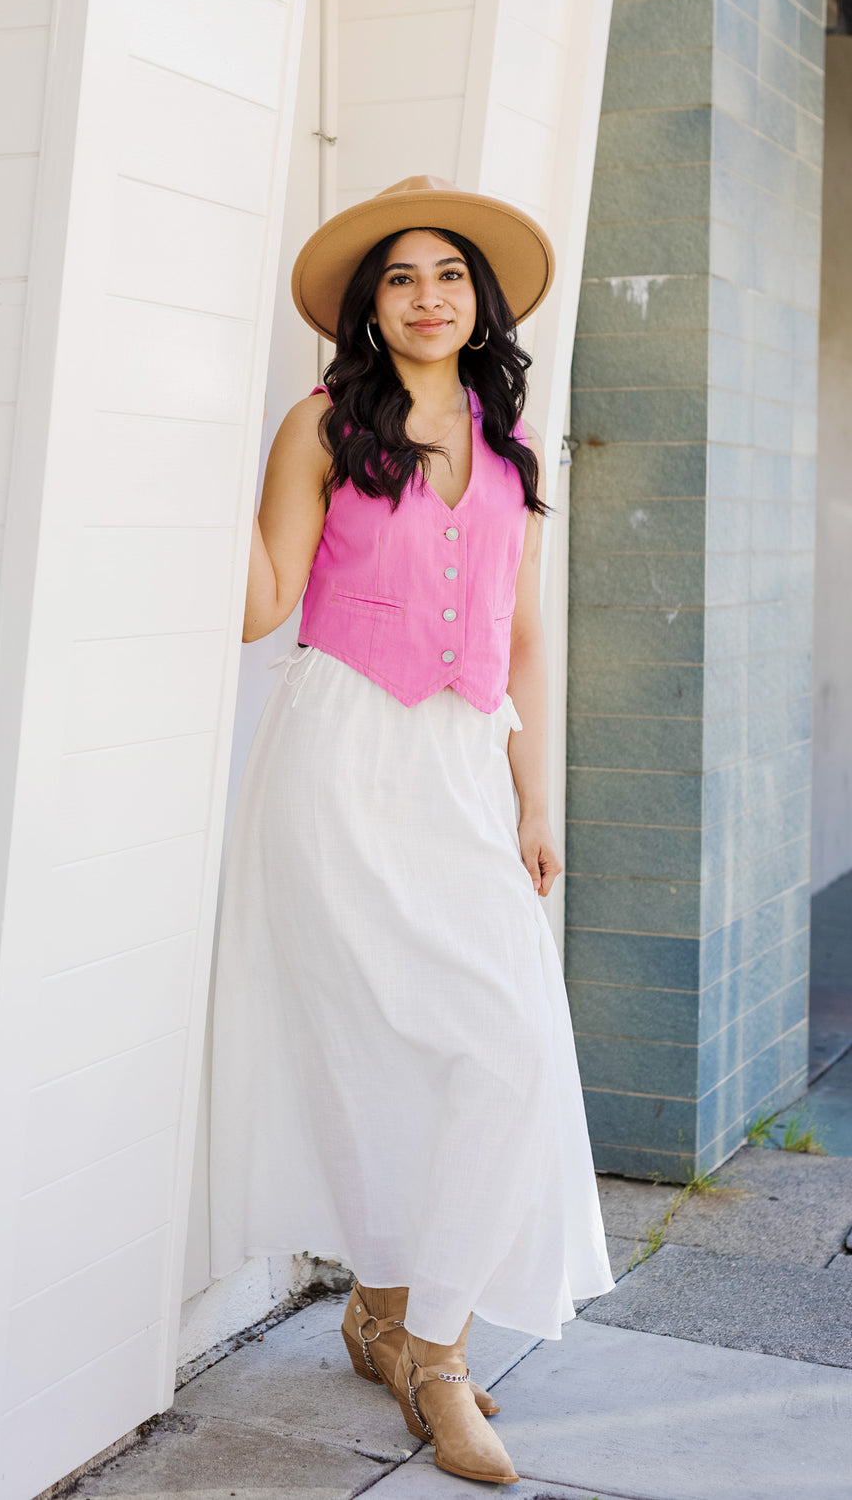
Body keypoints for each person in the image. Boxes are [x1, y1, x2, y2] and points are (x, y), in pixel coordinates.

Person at [209, 175, 614, 1486]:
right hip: (334, 761)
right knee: (366, 1048)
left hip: (460, 767)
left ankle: (416, 1330)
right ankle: (412, 1341)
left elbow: (526, 638)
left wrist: (537, 801)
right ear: (369, 310)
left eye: (449, 274)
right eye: (401, 277)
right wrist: (189, 468)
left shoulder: (512, 447)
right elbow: (261, 602)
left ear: (478, 303)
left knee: (506, 1046)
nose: (429, 296)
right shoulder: (321, 426)